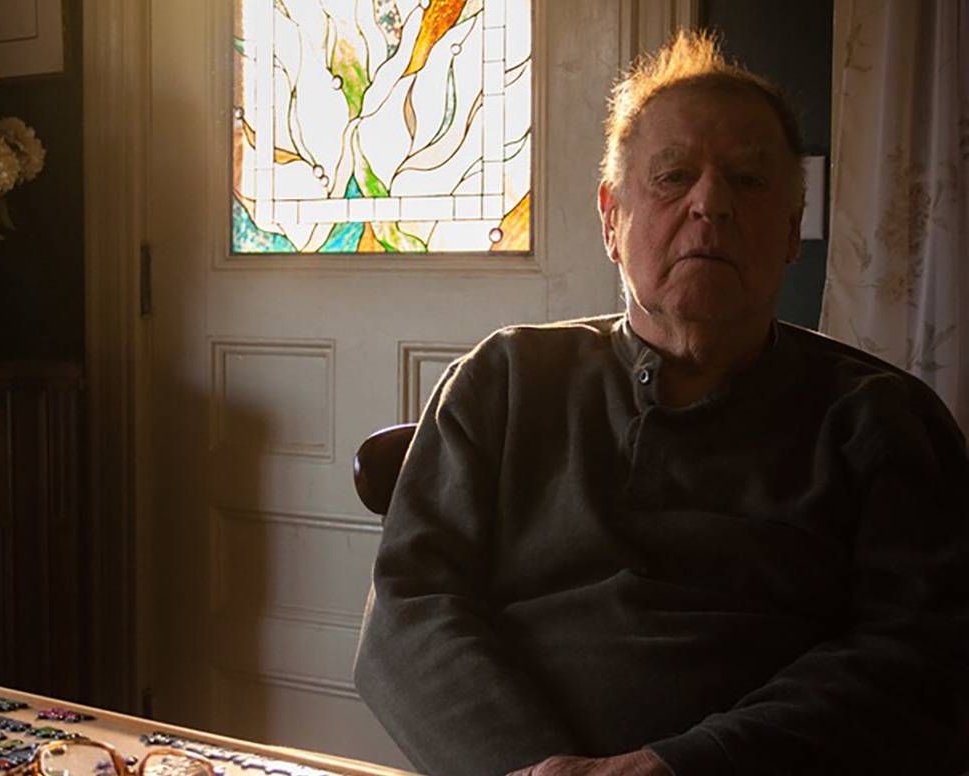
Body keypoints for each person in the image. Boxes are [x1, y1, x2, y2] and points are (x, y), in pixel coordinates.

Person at [352, 30, 969, 776]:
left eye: (747, 180)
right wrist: (528, 767)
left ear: (791, 232)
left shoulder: (879, 420)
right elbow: (409, 609)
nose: (711, 203)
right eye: (674, 177)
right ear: (612, 219)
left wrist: (682, 765)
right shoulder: (504, 381)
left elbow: (918, 655)